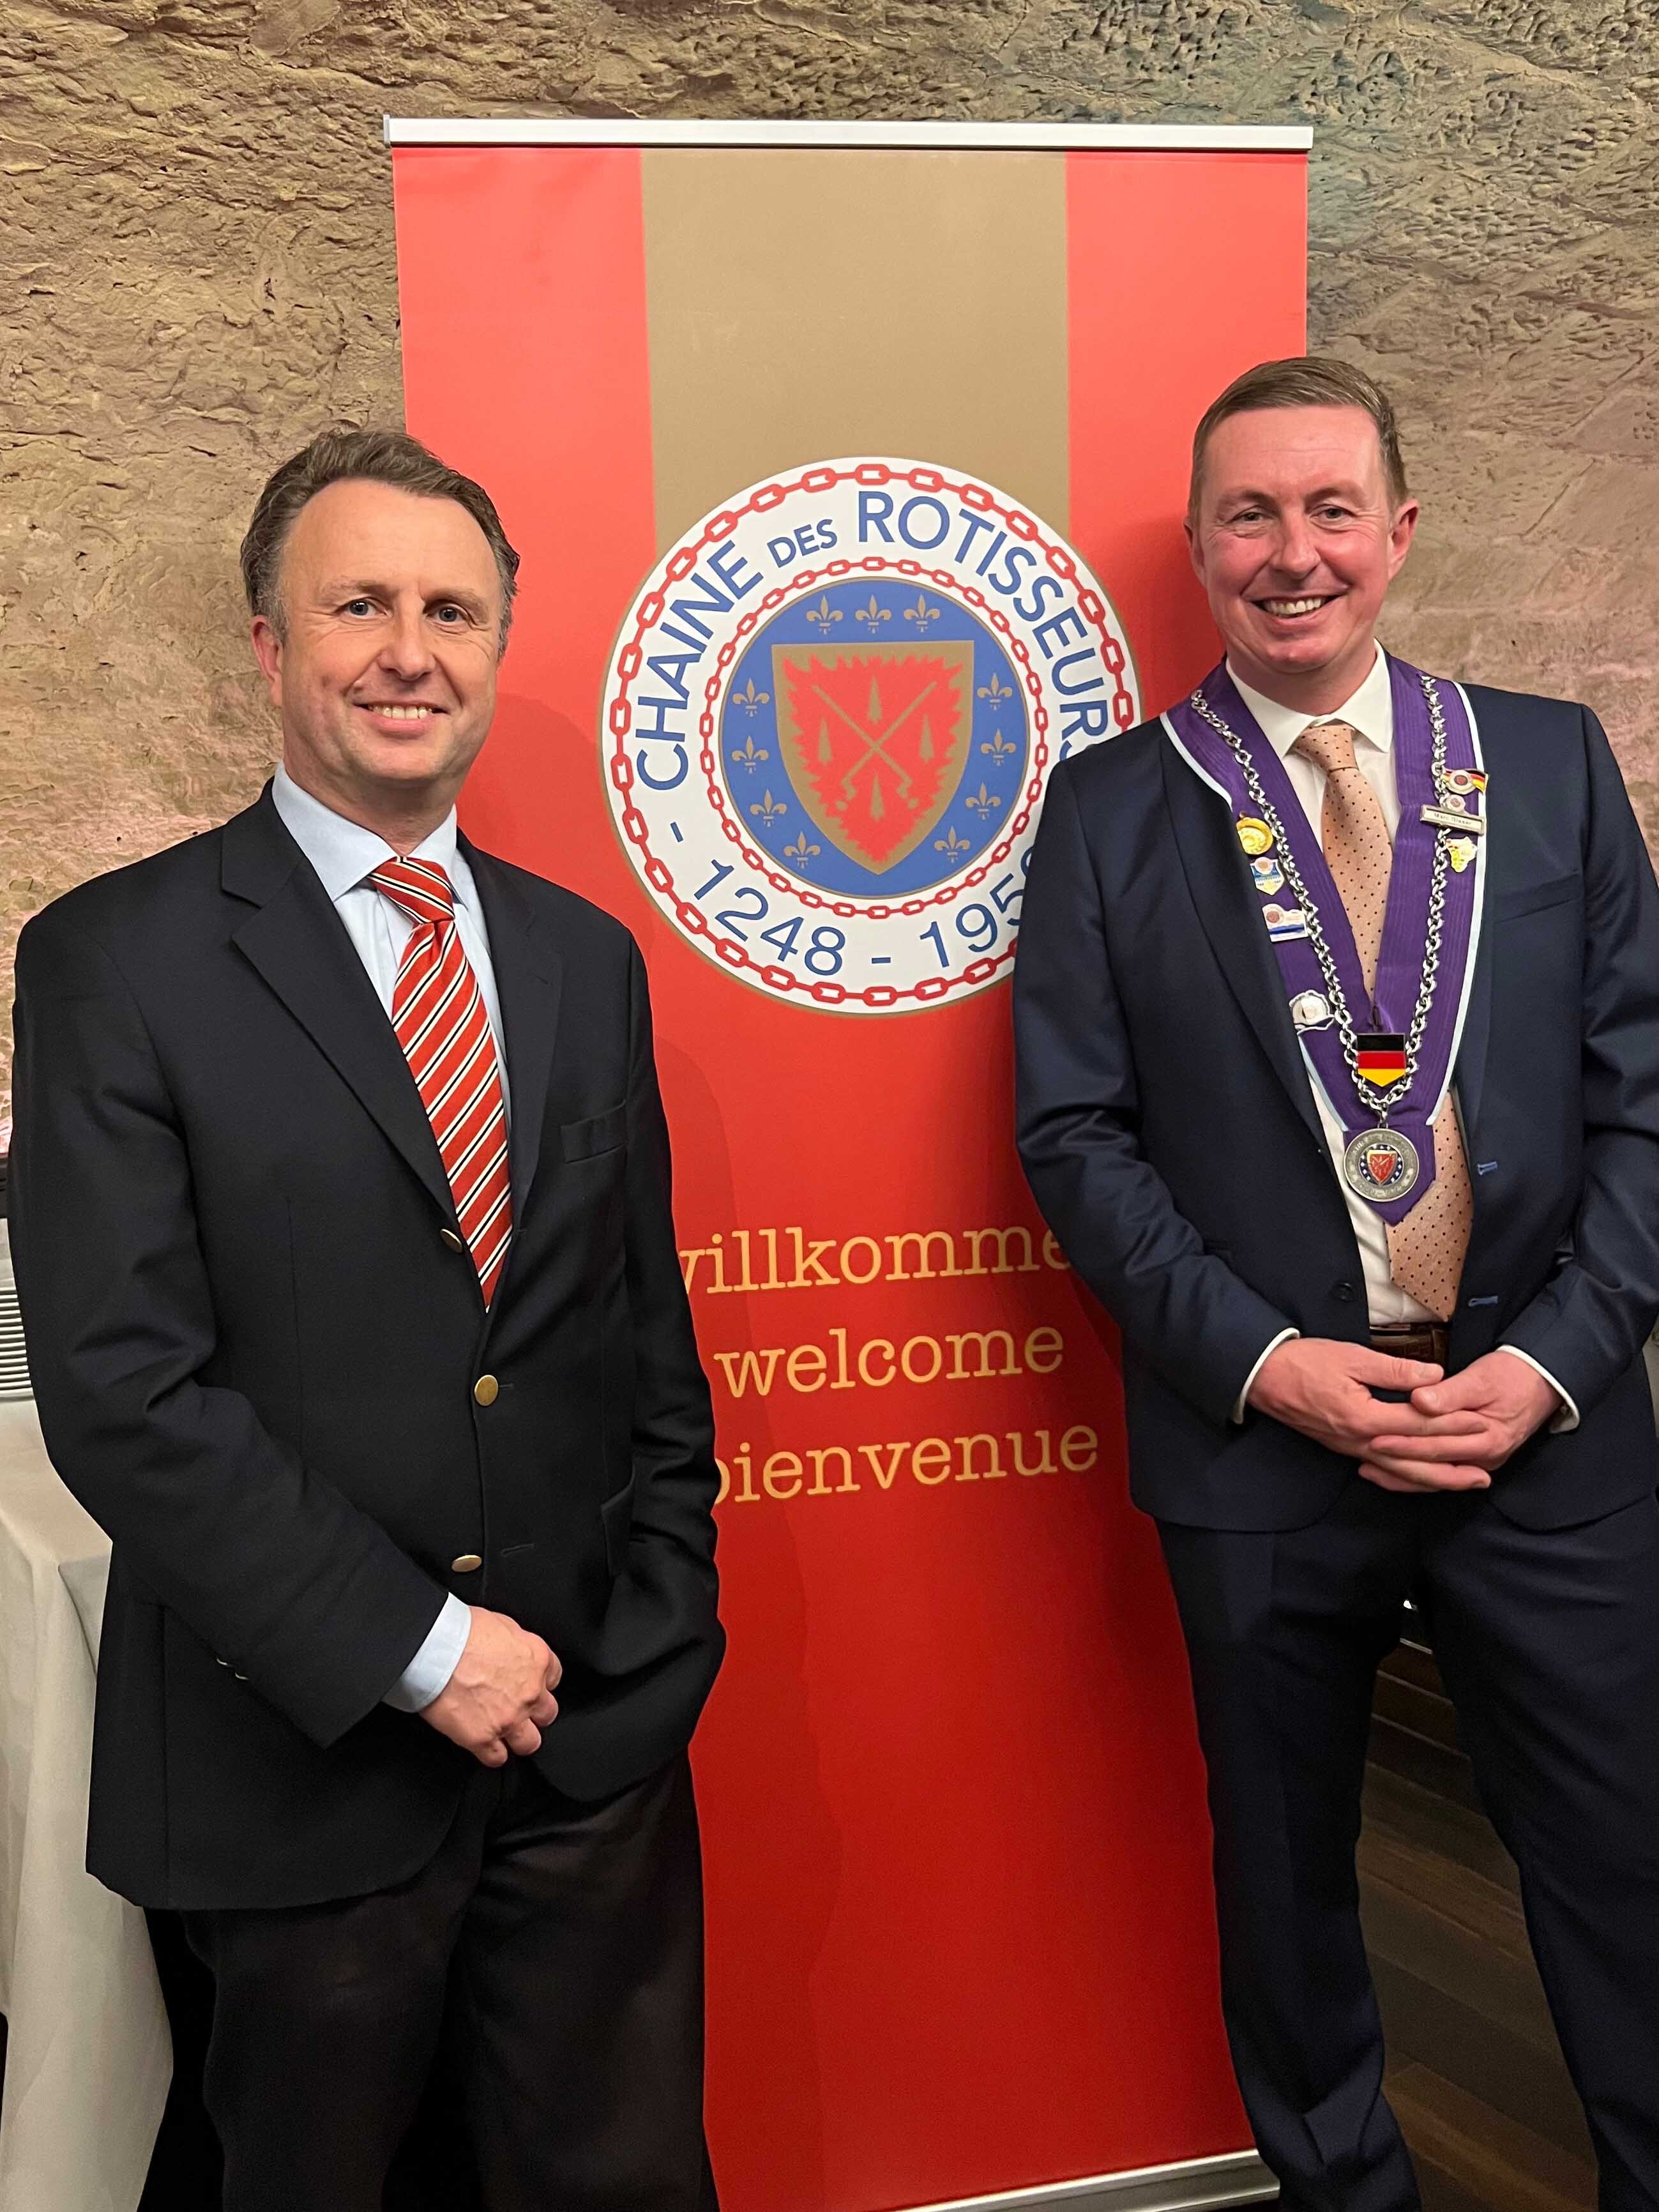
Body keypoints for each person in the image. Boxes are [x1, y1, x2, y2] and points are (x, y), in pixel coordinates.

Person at [10, 427, 724, 2212]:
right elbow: (122, 1391)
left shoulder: (582, 958)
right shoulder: (114, 960)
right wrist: (419, 1647)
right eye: (360, 607)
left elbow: (640, 1328)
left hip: (587, 1752)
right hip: (298, 1766)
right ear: (269, 644)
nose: (411, 652)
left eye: (452, 612)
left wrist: (662, 1622)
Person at [1015, 356, 1659, 2208]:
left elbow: (1645, 1100)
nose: (1292, 553)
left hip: (1546, 1433)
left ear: (1399, 530)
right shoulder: (1108, 811)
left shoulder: (1549, 765)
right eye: (1249, 514)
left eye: (1329, 509)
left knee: (1628, 1871)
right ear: (1200, 544)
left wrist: (1554, 1361)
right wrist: (1272, 1364)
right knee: (1288, 1888)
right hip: (1268, 1448)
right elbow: (1077, 1139)